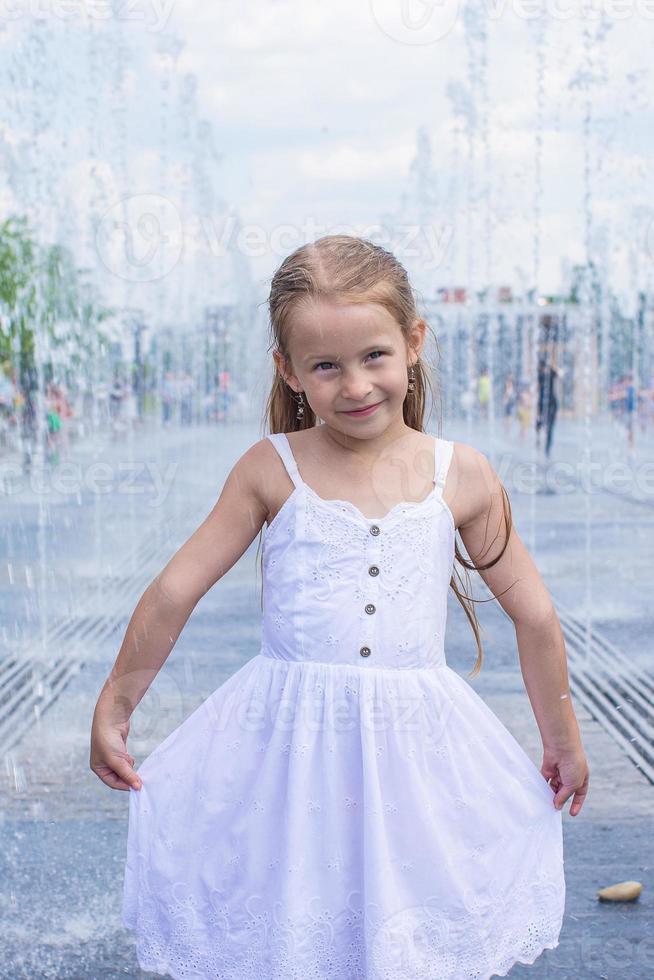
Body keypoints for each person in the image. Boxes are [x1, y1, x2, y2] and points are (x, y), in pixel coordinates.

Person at [90, 235, 588, 978]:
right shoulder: (272, 468)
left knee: (404, 917)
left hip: (417, 750)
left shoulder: (463, 476)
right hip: (286, 746)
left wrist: (562, 737)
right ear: (289, 370)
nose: (355, 385)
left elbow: (536, 617)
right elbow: (175, 589)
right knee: (294, 914)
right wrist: (116, 705)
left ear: (414, 343)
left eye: (374, 356)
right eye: (326, 366)